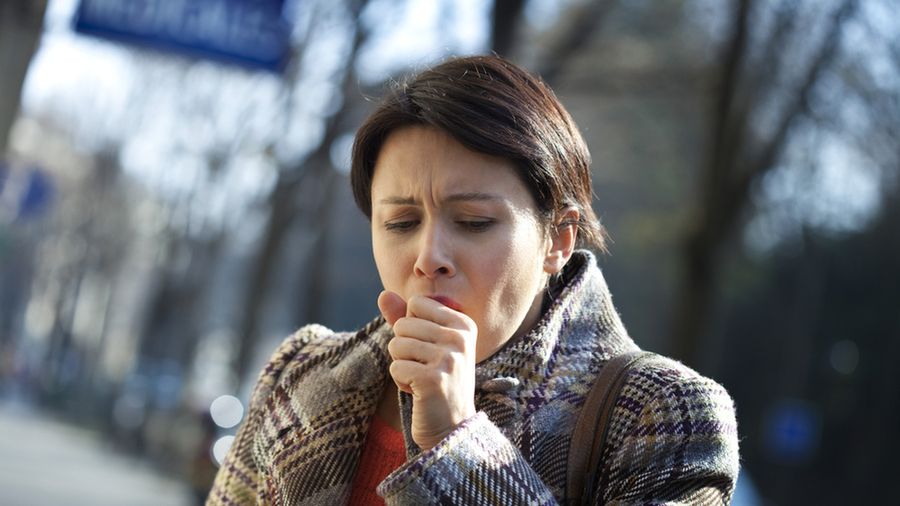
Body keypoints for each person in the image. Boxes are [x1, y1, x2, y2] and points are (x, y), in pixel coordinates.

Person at [207, 55, 739, 505]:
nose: (429, 257)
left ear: (558, 239)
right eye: (401, 222)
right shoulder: (298, 374)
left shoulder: (664, 415)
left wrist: (457, 441)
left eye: (474, 222)